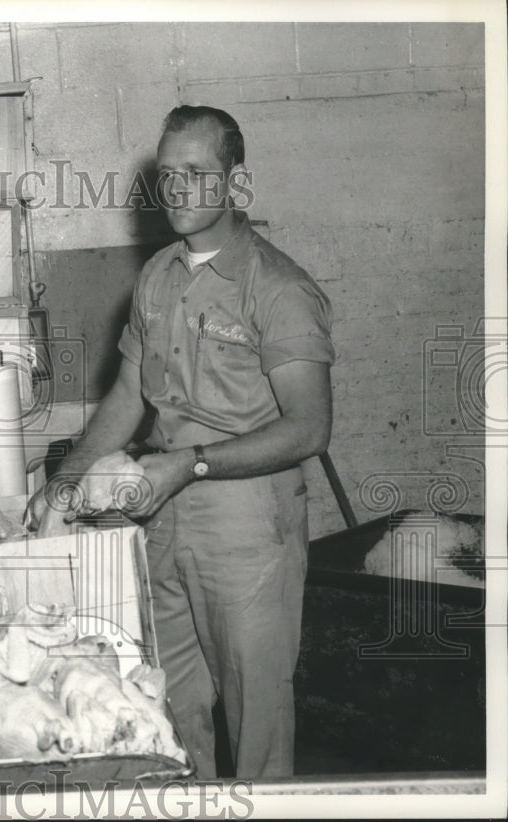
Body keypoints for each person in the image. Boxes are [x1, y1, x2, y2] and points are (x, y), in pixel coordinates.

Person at [27, 105, 335, 779]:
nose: (178, 190)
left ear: (236, 184)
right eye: (168, 175)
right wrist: (67, 478)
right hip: (162, 520)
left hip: (247, 528)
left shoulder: (279, 289)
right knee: (166, 711)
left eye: (197, 173)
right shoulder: (158, 277)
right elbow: (129, 396)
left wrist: (190, 464)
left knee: (256, 722)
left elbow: (310, 428)